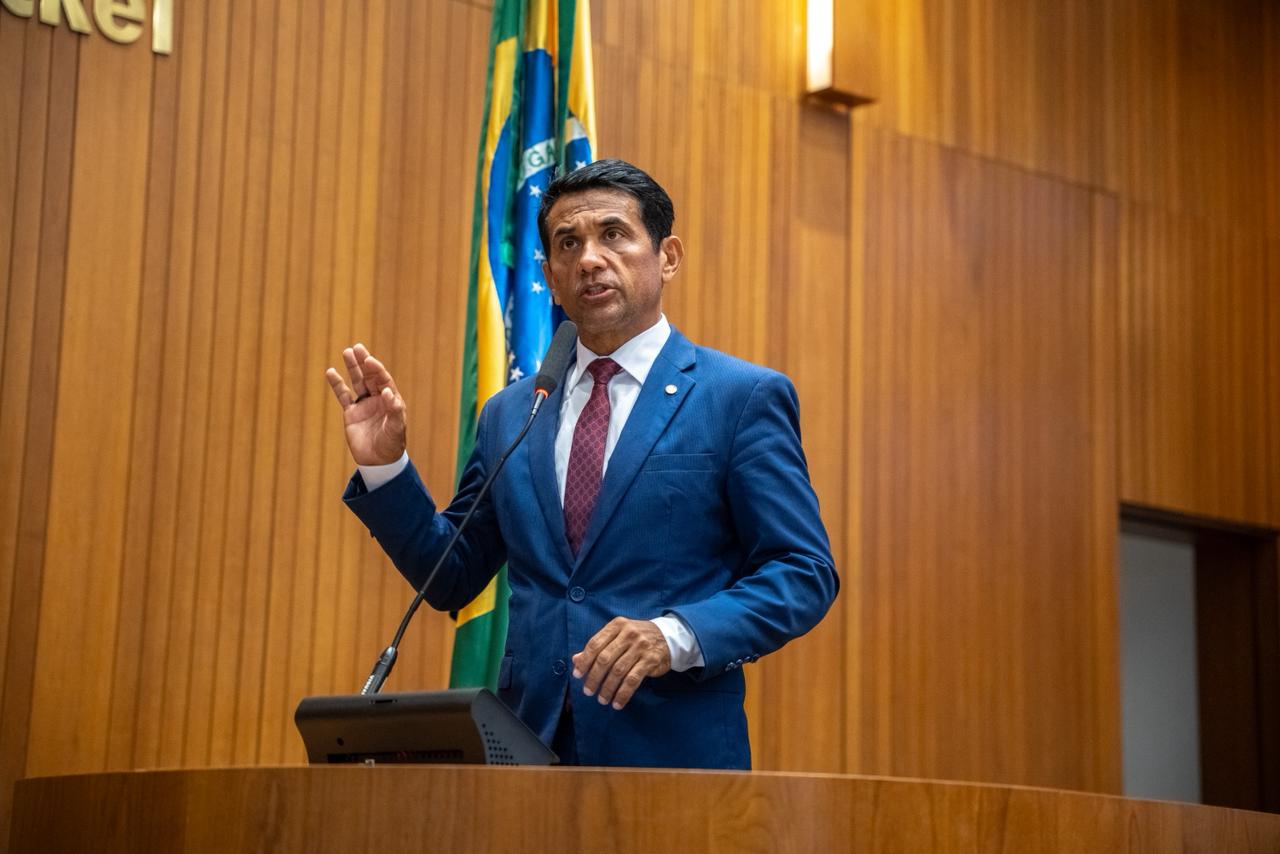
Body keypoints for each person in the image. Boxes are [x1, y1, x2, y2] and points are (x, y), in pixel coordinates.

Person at [325, 159, 837, 769]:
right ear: (550, 277)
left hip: (673, 758)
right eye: (568, 243)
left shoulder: (738, 397)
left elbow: (802, 571)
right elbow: (451, 577)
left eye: (614, 235)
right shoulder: (512, 412)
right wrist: (386, 469)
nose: (590, 258)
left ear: (668, 257)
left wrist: (675, 635)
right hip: (528, 751)